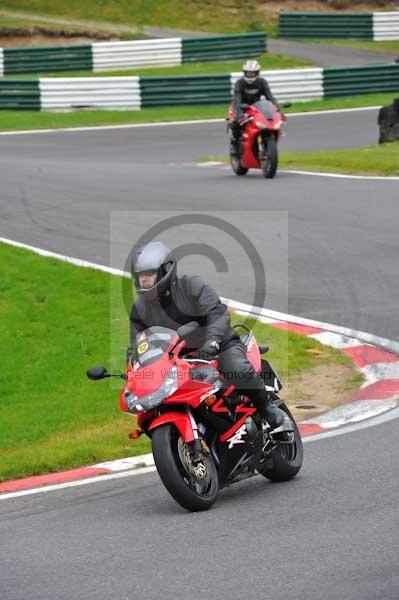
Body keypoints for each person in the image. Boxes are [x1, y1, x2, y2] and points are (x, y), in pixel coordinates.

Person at [127, 241, 288, 431]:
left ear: (165, 270)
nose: (144, 280)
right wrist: (132, 372)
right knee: (158, 401)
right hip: (179, 360)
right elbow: (138, 344)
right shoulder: (140, 309)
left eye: (149, 274)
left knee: (236, 369)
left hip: (219, 346)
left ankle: (266, 407)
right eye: (140, 276)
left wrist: (212, 341)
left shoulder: (192, 286)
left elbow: (217, 313)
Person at [229, 59, 281, 156]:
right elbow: (237, 99)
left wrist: (277, 110)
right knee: (235, 122)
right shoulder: (239, 83)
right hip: (240, 106)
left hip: (256, 107)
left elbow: (270, 97)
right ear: (244, 72)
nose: (250, 75)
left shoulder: (262, 82)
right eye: (248, 73)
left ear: (257, 73)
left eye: (253, 73)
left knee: (265, 121)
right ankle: (235, 146)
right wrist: (239, 115)